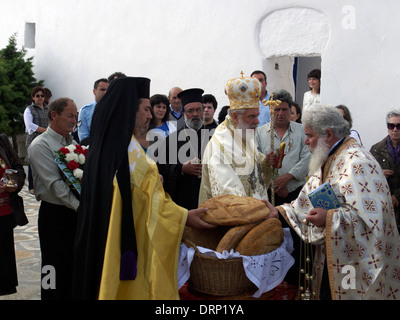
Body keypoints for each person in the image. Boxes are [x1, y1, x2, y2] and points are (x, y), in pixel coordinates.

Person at [72, 77, 214, 300]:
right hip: (129, 238)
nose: (151, 115)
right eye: (146, 109)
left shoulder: (112, 146)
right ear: (129, 110)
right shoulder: (129, 153)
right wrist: (184, 216)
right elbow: (147, 202)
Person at [266, 104, 400, 300]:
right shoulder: (331, 156)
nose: (306, 142)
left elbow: (372, 222)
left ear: (328, 134)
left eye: (310, 136)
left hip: (355, 264)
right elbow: (305, 199)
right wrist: (277, 212)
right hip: (332, 255)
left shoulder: (358, 162)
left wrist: (329, 218)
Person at [255, 89, 311, 285]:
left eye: (285, 109)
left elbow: (307, 157)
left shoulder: (302, 130)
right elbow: (255, 159)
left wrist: (287, 178)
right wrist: (265, 162)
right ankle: (272, 278)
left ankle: (296, 279)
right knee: (272, 234)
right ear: (270, 110)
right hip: (270, 193)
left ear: (291, 110)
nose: (280, 113)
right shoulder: (261, 132)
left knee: (297, 236)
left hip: (295, 192)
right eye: (276, 109)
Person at [28, 98, 80, 300]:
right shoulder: (40, 146)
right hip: (55, 215)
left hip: (74, 213)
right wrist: (82, 207)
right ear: (54, 115)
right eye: (70, 115)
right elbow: (55, 185)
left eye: (75, 116)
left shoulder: (72, 143)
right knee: (52, 267)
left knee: (73, 266)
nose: (74, 120)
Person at [199, 74, 275, 204]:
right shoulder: (221, 143)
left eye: (257, 115)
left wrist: (265, 163)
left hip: (256, 212)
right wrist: (256, 209)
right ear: (235, 116)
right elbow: (228, 191)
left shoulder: (243, 132)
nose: (257, 121)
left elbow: (253, 168)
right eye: (251, 116)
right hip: (235, 217)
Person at [157, 88, 212, 210]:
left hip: (210, 199)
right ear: (183, 114)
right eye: (190, 111)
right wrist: (181, 168)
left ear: (203, 112)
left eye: (198, 110)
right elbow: (160, 166)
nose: (195, 114)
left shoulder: (214, 137)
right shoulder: (172, 139)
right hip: (183, 199)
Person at [0, 134, 26, 296]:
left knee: (2, 269)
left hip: (4, 216)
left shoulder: (2, 141)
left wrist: (14, 184)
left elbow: (18, 168)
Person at [370, 109, 400, 230]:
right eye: (391, 126)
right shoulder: (376, 149)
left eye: (399, 126)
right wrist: (378, 174)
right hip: (384, 206)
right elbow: (367, 178)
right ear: (387, 127)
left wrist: (398, 195)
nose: (395, 129)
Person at [24, 86, 49, 195]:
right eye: (37, 96)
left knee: (46, 162)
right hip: (34, 140)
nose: (40, 98)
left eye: (42, 96)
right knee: (33, 163)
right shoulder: (29, 109)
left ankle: (44, 185)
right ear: (33, 97)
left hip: (46, 140)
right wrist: (44, 130)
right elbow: (29, 125)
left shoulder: (48, 109)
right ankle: (32, 186)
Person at [77, 78, 109, 142]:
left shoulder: (115, 110)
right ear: (94, 91)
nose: (105, 92)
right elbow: (84, 138)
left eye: (108, 90)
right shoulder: (85, 111)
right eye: (102, 90)